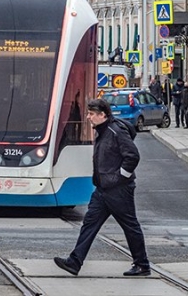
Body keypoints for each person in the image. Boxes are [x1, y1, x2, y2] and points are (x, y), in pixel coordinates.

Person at [53, 99, 149, 278]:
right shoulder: (102, 130)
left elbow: (133, 156)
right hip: (102, 189)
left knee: (130, 226)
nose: (88, 117)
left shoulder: (115, 131)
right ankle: (74, 262)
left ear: (102, 115)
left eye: (91, 114)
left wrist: (119, 177)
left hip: (119, 190)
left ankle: (142, 264)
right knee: (89, 224)